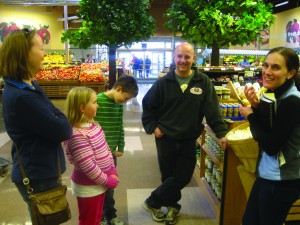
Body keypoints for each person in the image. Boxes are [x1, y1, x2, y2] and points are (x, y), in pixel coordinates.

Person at [141, 42, 228, 225]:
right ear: (174, 58)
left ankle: (152, 202)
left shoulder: (202, 82)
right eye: (179, 56)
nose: (183, 60)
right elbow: (148, 105)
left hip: (189, 139)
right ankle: (172, 207)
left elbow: (212, 111)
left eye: (187, 57)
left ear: (193, 59)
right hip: (165, 139)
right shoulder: (164, 82)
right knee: (168, 176)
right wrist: (152, 127)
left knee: (182, 177)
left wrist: (222, 133)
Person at [0, 28, 73, 222]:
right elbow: (63, 129)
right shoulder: (22, 96)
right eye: (41, 48)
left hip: (39, 170)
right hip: (38, 175)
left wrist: (57, 116)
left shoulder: (27, 85)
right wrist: (60, 117)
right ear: (24, 52)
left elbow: (56, 116)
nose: (45, 53)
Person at [239, 47, 300, 225]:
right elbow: (271, 130)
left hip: (281, 181)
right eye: (266, 65)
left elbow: (271, 146)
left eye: (275, 67)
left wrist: (250, 115)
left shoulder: (292, 102)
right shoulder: (277, 95)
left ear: (291, 73)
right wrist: (257, 108)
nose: (267, 71)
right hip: (268, 175)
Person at [64, 87, 119, 225]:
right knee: (89, 220)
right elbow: (88, 166)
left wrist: (112, 169)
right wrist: (107, 180)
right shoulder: (77, 135)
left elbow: (106, 149)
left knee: (97, 217)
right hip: (88, 188)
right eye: (94, 102)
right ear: (82, 108)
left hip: (99, 184)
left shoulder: (94, 125)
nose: (97, 105)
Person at [95, 75, 138, 225]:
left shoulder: (119, 106)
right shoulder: (97, 101)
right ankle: (98, 217)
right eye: (125, 98)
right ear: (118, 89)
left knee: (110, 186)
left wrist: (121, 145)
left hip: (110, 154)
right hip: (95, 155)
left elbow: (120, 125)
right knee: (96, 187)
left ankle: (111, 214)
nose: (124, 102)